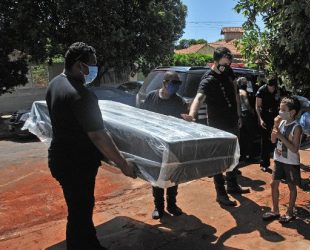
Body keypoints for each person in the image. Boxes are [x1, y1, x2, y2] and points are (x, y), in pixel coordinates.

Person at [46, 42, 137, 250]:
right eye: (92, 65)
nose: (94, 69)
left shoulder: (55, 84)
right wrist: (122, 163)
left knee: (82, 207)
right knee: (79, 211)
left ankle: (90, 243)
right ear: (80, 65)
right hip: (76, 165)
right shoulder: (82, 95)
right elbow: (98, 135)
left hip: (60, 158)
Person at [182, 47, 250, 207]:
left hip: (233, 121)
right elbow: (198, 98)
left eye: (229, 64)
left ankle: (232, 185)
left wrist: (239, 114)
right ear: (215, 61)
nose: (227, 67)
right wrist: (192, 115)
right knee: (218, 161)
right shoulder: (208, 79)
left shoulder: (228, 72)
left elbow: (234, 93)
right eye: (224, 64)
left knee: (234, 155)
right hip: (217, 126)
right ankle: (221, 193)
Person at [142, 71, 186, 219]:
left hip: (173, 144)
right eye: (174, 82)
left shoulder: (179, 101)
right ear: (165, 82)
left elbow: (183, 125)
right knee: (157, 177)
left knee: (173, 176)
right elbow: (142, 119)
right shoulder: (151, 97)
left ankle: (172, 205)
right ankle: (158, 207)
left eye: (178, 83)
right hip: (155, 143)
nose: (176, 86)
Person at [262, 97, 302, 223]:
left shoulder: (297, 128)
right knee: (273, 184)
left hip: (290, 162)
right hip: (278, 159)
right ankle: (275, 210)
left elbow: (295, 149)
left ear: (292, 112)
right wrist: (275, 126)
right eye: (280, 109)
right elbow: (273, 140)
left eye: (283, 109)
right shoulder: (281, 123)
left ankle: (290, 212)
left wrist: (280, 136)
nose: (280, 112)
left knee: (291, 186)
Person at [255, 78, 280, 171]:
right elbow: (257, 106)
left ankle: (278, 163)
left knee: (276, 139)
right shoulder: (261, 90)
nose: (272, 89)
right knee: (265, 140)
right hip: (264, 116)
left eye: (273, 87)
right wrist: (260, 119)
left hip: (275, 115)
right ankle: (264, 163)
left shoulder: (277, 90)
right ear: (267, 85)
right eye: (270, 87)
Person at [237, 77, 256, 161]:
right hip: (246, 114)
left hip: (240, 115)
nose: (246, 84)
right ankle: (249, 156)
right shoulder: (243, 92)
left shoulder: (237, 92)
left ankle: (242, 155)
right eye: (245, 83)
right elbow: (247, 103)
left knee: (243, 137)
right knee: (250, 136)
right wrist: (252, 111)